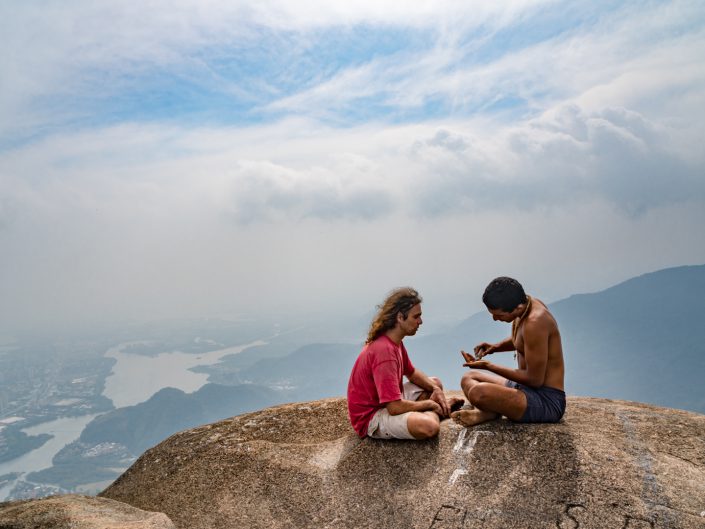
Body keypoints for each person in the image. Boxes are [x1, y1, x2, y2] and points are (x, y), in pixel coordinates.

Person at [347, 287, 464, 440]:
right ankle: (437, 412)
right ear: (400, 317)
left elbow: (412, 372)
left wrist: (435, 388)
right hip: (372, 416)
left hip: (386, 402)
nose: (420, 321)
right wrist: (430, 405)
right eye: (416, 317)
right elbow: (394, 407)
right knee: (429, 427)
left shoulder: (394, 342)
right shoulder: (385, 352)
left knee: (434, 383)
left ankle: (433, 409)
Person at [451, 277, 566, 427]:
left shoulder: (535, 322)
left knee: (478, 392)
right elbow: (524, 340)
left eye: (499, 315)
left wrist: (489, 366)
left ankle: (485, 412)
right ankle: (490, 411)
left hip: (545, 400)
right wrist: (495, 347)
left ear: (517, 308)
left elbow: (534, 380)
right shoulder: (526, 305)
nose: (494, 319)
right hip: (523, 388)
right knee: (469, 377)